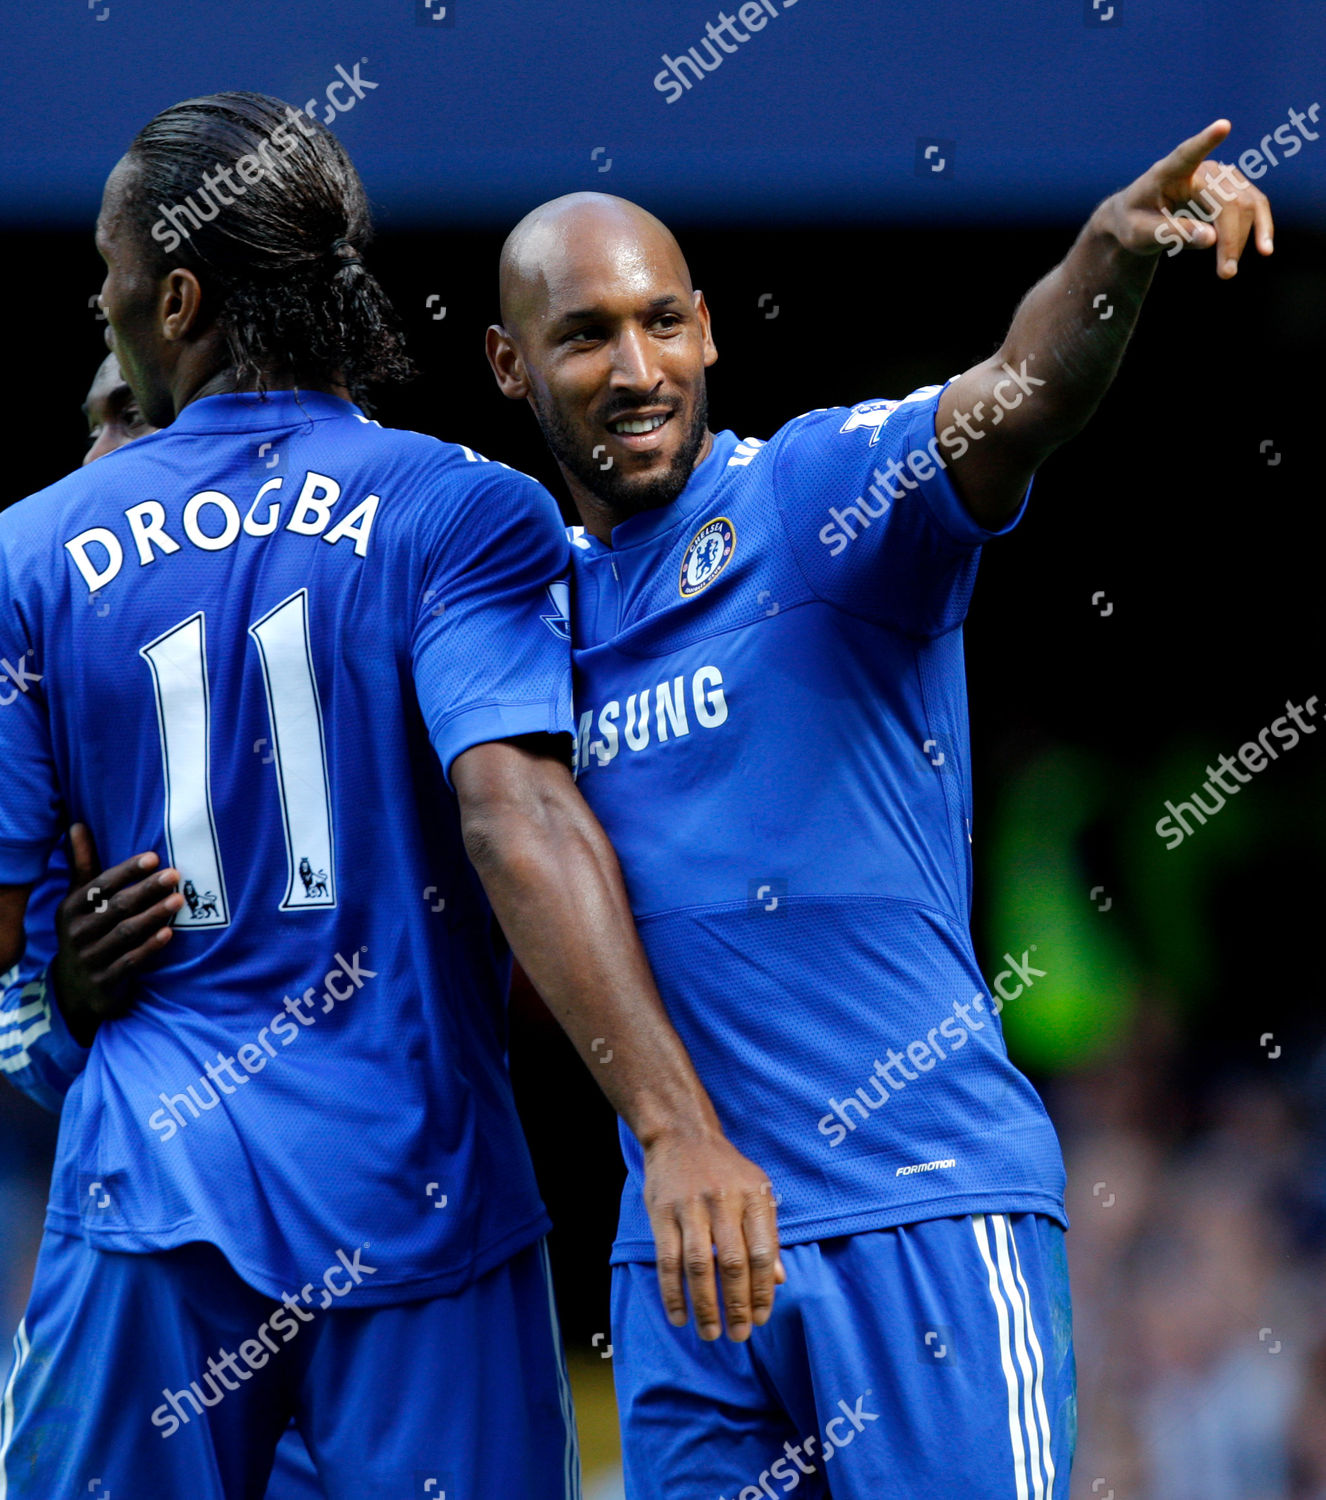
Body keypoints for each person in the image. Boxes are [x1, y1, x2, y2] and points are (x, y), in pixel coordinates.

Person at [0, 90, 777, 1498]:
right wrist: (674, 1125)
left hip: (154, 1204)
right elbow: (518, 815)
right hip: (421, 1200)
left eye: (110, 271)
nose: (102, 298)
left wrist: (66, 963)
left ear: (176, 297)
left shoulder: (28, 551)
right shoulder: (463, 509)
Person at [484, 122, 1273, 1497]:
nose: (637, 369)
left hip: (921, 1206)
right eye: (586, 336)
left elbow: (1013, 399)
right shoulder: (513, 616)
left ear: (708, 329)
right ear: (509, 366)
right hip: (688, 1255)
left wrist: (1107, 254)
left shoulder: (809, 497)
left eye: (662, 322)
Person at [0, 352, 324, 1499]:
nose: (95, 455)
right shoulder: (57, 669)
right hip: (162, 1234)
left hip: (394, 1238)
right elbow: (11, 1021)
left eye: (128, 413)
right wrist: (71, 994)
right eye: (91, 422)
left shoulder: (395, 587)